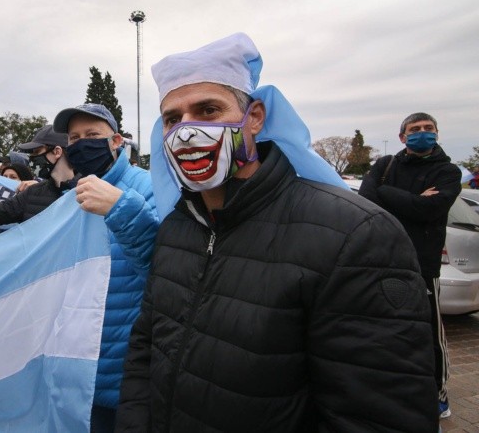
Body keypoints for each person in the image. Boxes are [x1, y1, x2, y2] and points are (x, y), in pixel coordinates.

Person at [116, 33, 438, 432]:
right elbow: (145, 354)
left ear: (254, 117)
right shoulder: (177, 226)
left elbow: (380, 414)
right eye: (172, 118)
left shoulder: (354, 234)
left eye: (208, 109)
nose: (186, 130)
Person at [51, 103, 159, 433]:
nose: (82, 143)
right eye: (74, 137)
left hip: (130, 365)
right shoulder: (72, 196)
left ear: (115, 141)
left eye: (92, 135)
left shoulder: (147, 186)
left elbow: (163, 269)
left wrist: (120, 209)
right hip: (83, 360)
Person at [359, 112, 462, 418]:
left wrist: (388, 194)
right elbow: (367, 199)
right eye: (414, 129)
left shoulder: (447, 171)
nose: (422, 133)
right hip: (382, 258)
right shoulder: (386, 164)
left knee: (430, 333)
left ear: (437, 133)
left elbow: (430, 209)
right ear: (403, 137)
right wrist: (410, 200)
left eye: (428, 129)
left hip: (422, 265)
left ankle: (438, 394)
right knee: (385, 328)